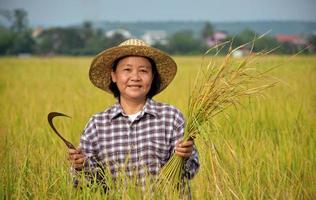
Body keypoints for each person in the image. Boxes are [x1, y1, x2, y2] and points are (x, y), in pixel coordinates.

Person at [68, 39, 199, 193]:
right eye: (127, 70)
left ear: (152, 76)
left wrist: (185, 155)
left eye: (143, 70)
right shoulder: (98, 125)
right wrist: (79, 166)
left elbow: (190, 171)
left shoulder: (171, 118)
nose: (135, 77)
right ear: (114, 76)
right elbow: (84, 184)